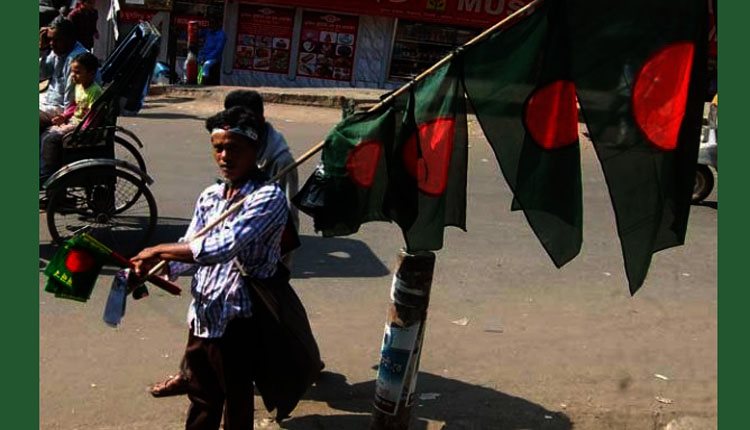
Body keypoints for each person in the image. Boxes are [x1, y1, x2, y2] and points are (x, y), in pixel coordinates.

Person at [131, 107, 290, 429]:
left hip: (240, 317)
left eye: (234, 148)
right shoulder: (211, 197)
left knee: (235, 400)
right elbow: (190, 244)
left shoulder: (268, 198)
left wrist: (158, 249)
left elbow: (221, 248)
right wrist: (159, 267)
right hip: (203, 312)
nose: (225, 156)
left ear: (255, 151)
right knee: (202, 394)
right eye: (218, 147)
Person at [40, 52, 102, 178]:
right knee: (46, 132)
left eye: (78, 72)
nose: (73, 75)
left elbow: (93, 115)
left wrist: (82, 130)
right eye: (73, 71)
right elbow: (74, 105)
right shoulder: (79, 86)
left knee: (50, 139)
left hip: (81, 126)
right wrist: (64, 116)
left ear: (91, 74)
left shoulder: (95, 91)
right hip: (74, 121)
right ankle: (50, 166)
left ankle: (47, 172)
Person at [39, 17, 89, 129]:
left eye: (57, 40)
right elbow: (41, 75)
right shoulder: (58, 51)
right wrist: (41, 49)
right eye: (50, 39)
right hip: (49, 100)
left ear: (69, 39)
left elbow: (70, 99)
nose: (52, 44)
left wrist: (65, 119)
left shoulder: (75, 59)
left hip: (61, 107)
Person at [197, 17, 226, 85]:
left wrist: (206, 58)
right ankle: (198, 82)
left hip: (214, 57)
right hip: (203, 55)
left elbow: (218, 50)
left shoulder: (221, 35)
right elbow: (198, 34)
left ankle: (204, 84)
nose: (211, 25)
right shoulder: (208, 31)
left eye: (213, 23)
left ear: (217, 24)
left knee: (206, 65)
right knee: (196, 64)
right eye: (210, 23)